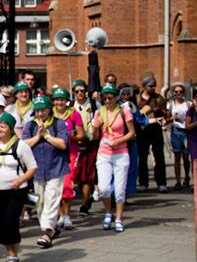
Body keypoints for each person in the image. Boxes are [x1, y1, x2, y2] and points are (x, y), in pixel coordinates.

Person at [0, 113, 36, 262]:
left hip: (15, 191)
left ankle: (13, 257)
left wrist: (21, 181)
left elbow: (32, 167)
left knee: (10, 222)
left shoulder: (21, 146)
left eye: (3, 126)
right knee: (1, 224)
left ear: (11, 128)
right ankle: (9, 253)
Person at [22, 95, 69, 248]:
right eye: (37, 110)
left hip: (56, 167)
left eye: (43, 110)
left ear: (50, 109)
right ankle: (50, 228)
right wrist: (37, 136)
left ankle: (47, 232)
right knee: (39, 201)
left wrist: (47, 136)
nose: (40, 114)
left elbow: (62, 144)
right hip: (36, 169)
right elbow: (23, 145)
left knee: (52, 199)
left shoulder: (58, 124)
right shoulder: (30, 125)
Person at [92, 84, 136, 232]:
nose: (108, 100)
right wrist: (95, 126)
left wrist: (119, 140)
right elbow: (95, 137)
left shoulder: (124, 111)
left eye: (111, 97)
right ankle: (107, 212)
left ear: (116, 97)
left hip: (121, 153)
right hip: (104, 152)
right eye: (105, 98)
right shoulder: (99, 112)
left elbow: (132, 133)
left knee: (120, 190)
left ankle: (118, 218)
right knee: (103, 189)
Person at [51, 88, 84, 230]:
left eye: (62, 99)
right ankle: (59, 214)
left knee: (67, 185)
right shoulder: (49, 114)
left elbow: (81, 135)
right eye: (57, 99)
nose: (60, 102)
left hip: (71, 152)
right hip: (54, 153)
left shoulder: (74, 114)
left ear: (67, 101)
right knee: (56, 186)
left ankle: (67, 215)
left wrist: (72, 137)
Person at [71, 80, 99, 215]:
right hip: (75, 143)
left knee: (87, 175)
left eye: (82, 91)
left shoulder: (93, 105)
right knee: (76, 175)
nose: (80, 94)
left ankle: (85, 203)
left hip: (90, 143)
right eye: (77, 91)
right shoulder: (70, 106)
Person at [137, 75, 168, 193]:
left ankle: (161, 183)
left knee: (159, 156)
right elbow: (136, 113)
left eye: (154, 85)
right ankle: (143, 183)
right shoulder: (137, 98)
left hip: (155, 129)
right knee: (142, 157)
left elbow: (165, 114)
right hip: (143, 131)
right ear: (144, 86)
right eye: (150, 86)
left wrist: (159, 111)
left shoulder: (159, 98)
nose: (153, 88)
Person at [167, 84, 191, 189]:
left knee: (186, 157)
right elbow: (166, 118)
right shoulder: (171, 104)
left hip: (186, 131)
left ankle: (186, 178)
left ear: (184, 92)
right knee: (177, 156)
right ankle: (178, 180)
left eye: (180, 91)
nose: (178, 94)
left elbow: (193, 116)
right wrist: (172, 118)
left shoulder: (188, 104)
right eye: (176, 92)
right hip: (176, 130)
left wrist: (188, 119)